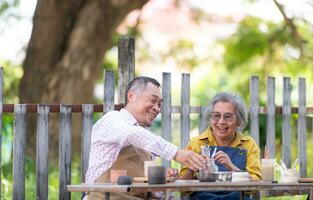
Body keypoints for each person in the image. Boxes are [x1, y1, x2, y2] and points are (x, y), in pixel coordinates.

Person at [85, 76, 205, 200]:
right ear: (131, 96)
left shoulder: (145, 136)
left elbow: (145, 185)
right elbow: (131, 134)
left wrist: (161, 181)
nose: (157, 108)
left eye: (159, 104)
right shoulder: (112, 119)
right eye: (153, 101)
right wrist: (176, 153)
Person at [179, 92, 262, 200]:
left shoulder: (248, 144)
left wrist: (232, 168)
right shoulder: (196, 143)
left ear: (239, 121)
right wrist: (192, 168)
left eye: (228, 117)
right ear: (210, 118)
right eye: (216, 116)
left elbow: (256, 184)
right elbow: (183, 188)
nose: (221, 122)